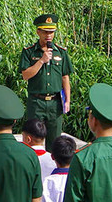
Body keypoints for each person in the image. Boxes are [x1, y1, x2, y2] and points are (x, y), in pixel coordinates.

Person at [19, 14, 73, 150]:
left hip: (55, 103)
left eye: (51, 32)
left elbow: (65, 78)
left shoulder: (61, 52)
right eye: (45, 32)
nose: (48, 35)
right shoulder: (29, 52)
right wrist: (41, 60)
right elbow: (25, 75)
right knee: (32, 139)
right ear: (38, 31)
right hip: (36, 102)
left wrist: (67, 101)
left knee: (55, 142)